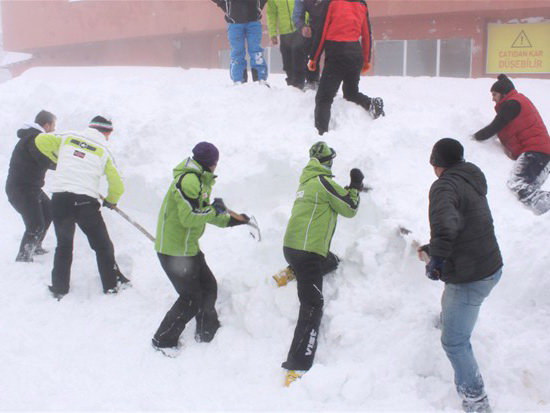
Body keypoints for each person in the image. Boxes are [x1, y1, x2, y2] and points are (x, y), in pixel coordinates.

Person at [421, 138, 503, 413]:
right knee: (453, 296)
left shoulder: (444, 185)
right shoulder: (470, 179)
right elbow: (463, 224)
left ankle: (475, 400)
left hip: (472, 275)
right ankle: (449, 319)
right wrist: (433, 250)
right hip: (490, 264)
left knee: (454, 342)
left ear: (437, 163)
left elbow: (446, 225)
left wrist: (437, 260)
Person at [152, 142, 250, 356]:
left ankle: (207, 330)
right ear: (211, 163)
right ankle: (163, 340)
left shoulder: (200, 180)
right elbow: (189, 217)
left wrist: (232, 221)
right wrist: (213, 209)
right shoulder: (189, 180)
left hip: (188, 247)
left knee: (208, 286)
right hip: (174, 251)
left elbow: (202, 212)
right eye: (216, 162)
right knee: (190, 299)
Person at [281, 141, 363, 386]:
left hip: (292, 250)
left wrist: (346, 190)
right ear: (329, 161)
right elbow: (350, 208)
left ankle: (291, 272)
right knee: (313, 304)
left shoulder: (307, 182)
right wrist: (355, 186)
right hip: (307, 254)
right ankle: (297, 365)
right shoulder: (323, 182)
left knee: (332, 261)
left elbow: (334, 198)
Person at [35, 115, 128, 299]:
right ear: (107, 132)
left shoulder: (68, 137)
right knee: (102, 246)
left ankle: (60, 288)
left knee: (63, 245)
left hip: (60, 200)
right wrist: (111, 200)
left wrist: (58, 157)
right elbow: (118, 185)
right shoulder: (103, 150)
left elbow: (40, 140)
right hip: (85, 203)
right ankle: (110, 286)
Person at [474, 74, 550, 215]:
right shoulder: (517, 102)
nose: (492, 99)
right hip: (542, 153)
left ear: (503, 93)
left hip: (535, 152)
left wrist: (472, 139)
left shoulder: (512, 104)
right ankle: (543, 219)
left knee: (518, 184)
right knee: (529, 191)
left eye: (494, 94)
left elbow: (494, 127)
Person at [307, 0, 384, 135]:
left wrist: (314, 57)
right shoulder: (361, 4)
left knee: (324, 98)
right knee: (351, 93)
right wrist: (366, 60)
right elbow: (366, 34)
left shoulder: (331, 2)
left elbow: (322, 31)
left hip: (337, 54)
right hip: (355, 53)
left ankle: (321, 134)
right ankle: (371, 104)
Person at [6, 110, 56, 262]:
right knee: (35, 224)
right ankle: (24, 257)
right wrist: (64, 164)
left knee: (49, 211)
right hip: (21, 189)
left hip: (31, 188)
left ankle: (35, 246)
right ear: (47, 125)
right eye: (53, 125)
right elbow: (45, 159)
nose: (54, 129)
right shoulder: (33, 139)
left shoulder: (32, 137)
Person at [211, 0, 269, 85]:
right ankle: (238, 80)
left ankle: (260, 79)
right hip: (234, 22)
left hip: (253, 21)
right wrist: (226, 6)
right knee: (237, 52)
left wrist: (259, 6)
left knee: (256, 50)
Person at [292, 0, 327, 90]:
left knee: (334, 56)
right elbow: (297, 16)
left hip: (332, 26)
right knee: (310, 52)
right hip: (314, 27)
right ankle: (312, 80)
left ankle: (329, 83)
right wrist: (302, 26)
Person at [266, 0, 300, 88]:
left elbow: (306, 7)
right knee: (287, 62)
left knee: (299, 60)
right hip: (284, 33)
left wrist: (306, 24)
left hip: (299, 30)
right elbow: (271, 14)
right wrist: (273, 33)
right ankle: (291, 84)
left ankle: (299, 83)